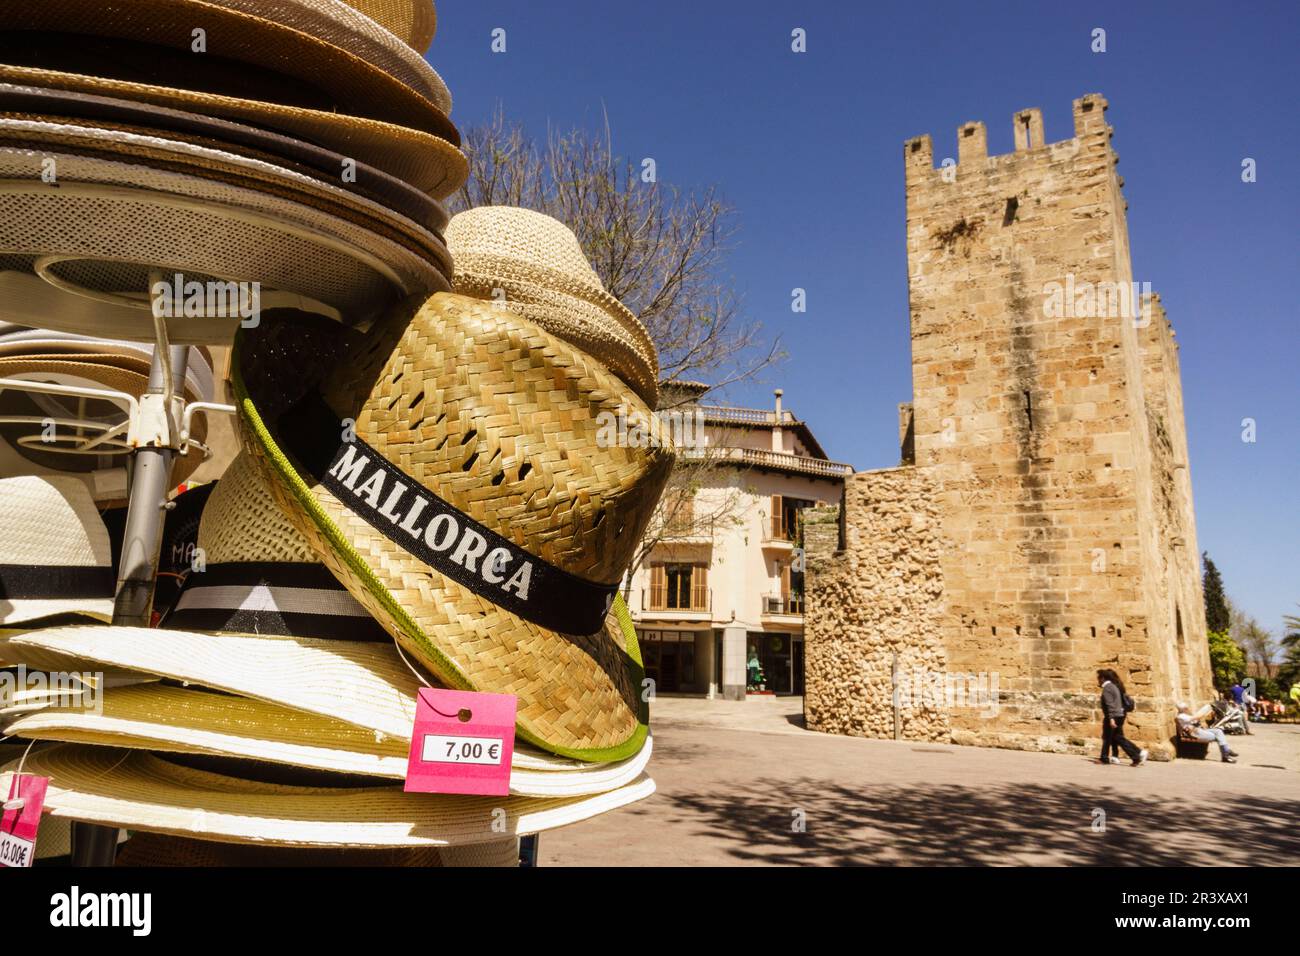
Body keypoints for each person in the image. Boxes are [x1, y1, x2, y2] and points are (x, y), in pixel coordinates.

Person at [1097, 669, 1147, 766]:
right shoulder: (1115, 686)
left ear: (1102, 678)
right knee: (1118, 738)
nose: (1098, 681)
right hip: (1119, 715)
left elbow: (1110, 705)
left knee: (1107, 738)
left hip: (1113, 716)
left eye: (1098, 678)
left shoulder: (1107, 688)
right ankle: (1136, 756)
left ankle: (1104, 758)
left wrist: (1111, 718)